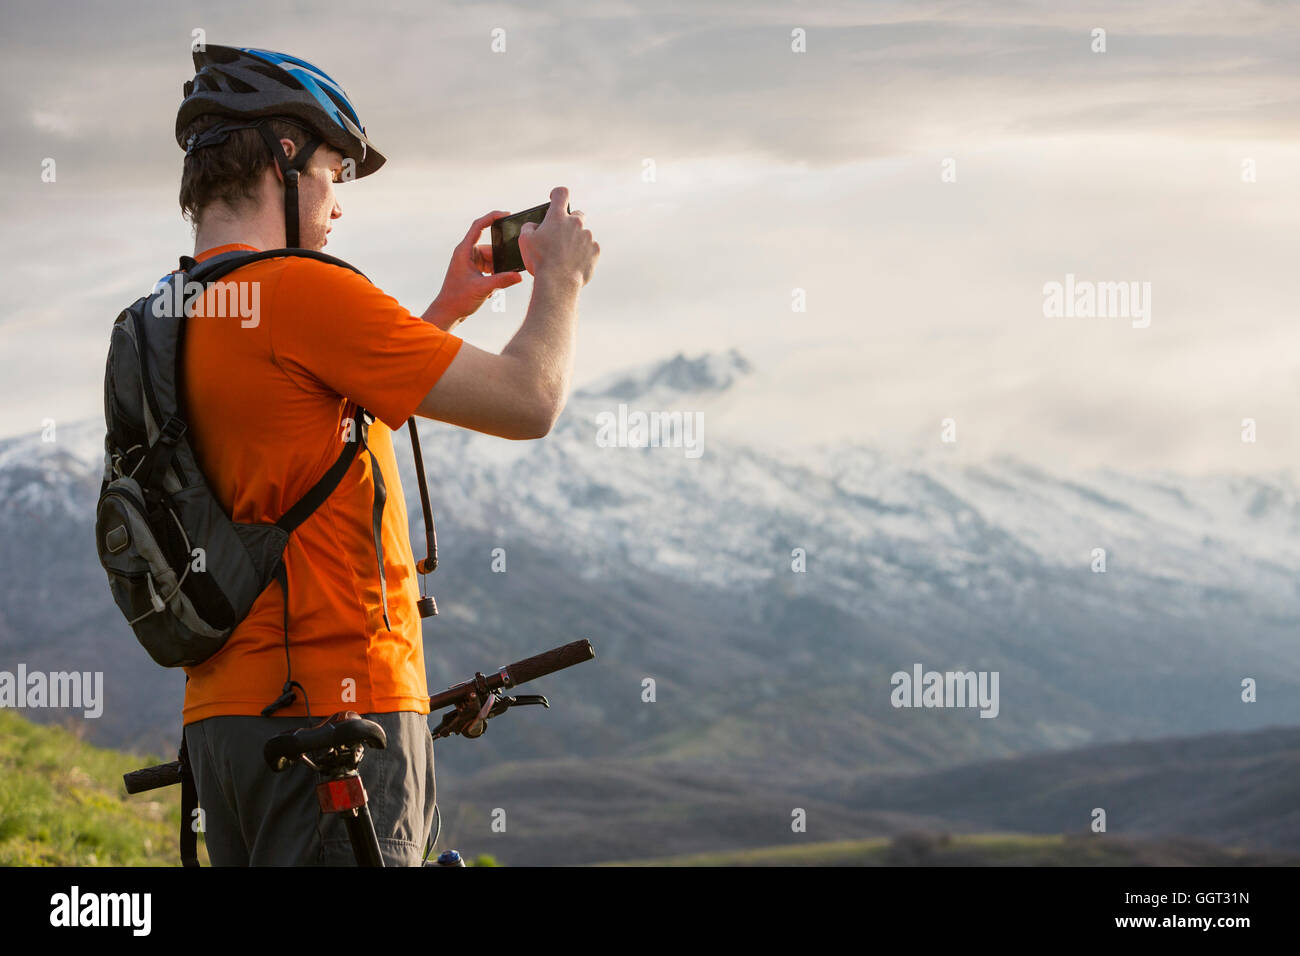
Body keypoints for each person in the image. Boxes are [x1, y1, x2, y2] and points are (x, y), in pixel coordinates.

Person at [171, 44, 599, 865]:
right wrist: (562, 281)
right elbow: (528, 401)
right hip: (339, 720)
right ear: (286, 158)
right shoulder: (306, 292)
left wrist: (443, 311)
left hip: (224, 730)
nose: (339, 202)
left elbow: (317, 429)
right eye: (336, 169)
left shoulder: (178, 311)